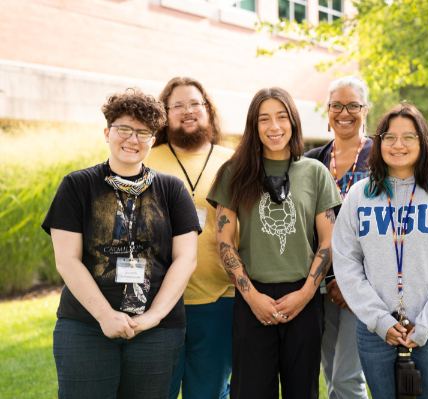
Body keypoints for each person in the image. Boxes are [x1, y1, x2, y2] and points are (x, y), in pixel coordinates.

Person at [42, 89, 200, 399]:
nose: (133, 139)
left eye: (143, 132)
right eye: (124, 129)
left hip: (157, 330)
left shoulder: (172, 190)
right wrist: (104, 315)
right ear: (107, 132)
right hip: (86, 325)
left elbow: (186, 259)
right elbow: (67, 260)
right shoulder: (77, 186)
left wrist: (152, 317)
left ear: (153, 139)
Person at [333, 103, 428, 399]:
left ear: (423, 141)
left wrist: (426, 322)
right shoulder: (360, 195)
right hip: (376, 331)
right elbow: (347, 262)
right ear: (379, 142)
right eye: (389, 137)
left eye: (409, 137)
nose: (398, 145)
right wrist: (380, 320)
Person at [207, 87, 342, 399]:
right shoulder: (235, 172)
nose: (274, 126)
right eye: (264, 119)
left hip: (305, 297)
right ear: (254, 126)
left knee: (302, 391)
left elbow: (328, 240)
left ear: (293, 122)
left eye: (282, 117)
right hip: (253, 297)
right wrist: (253, 297)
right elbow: (224, 241)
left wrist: (307, 293)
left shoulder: (314, 172)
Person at [145, 77, 234, 399]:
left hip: (220, 297)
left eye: (195, 103)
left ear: (208, 109)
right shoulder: (147, 159)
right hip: (158, 300)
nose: (187, 111)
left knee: (208, 392)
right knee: (157, 390)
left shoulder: (233, 160)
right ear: (164, 114)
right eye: (177, 105)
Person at [305, 76, 371, 399]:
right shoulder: (311, 161)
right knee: (331, 374)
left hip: (364, 285)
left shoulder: (382, 158)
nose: (344, 113)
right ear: (328, 111)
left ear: (366, 109)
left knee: (347, 379)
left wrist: (351, 280)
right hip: (320, 284)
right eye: (336, 105)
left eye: (353, 105)